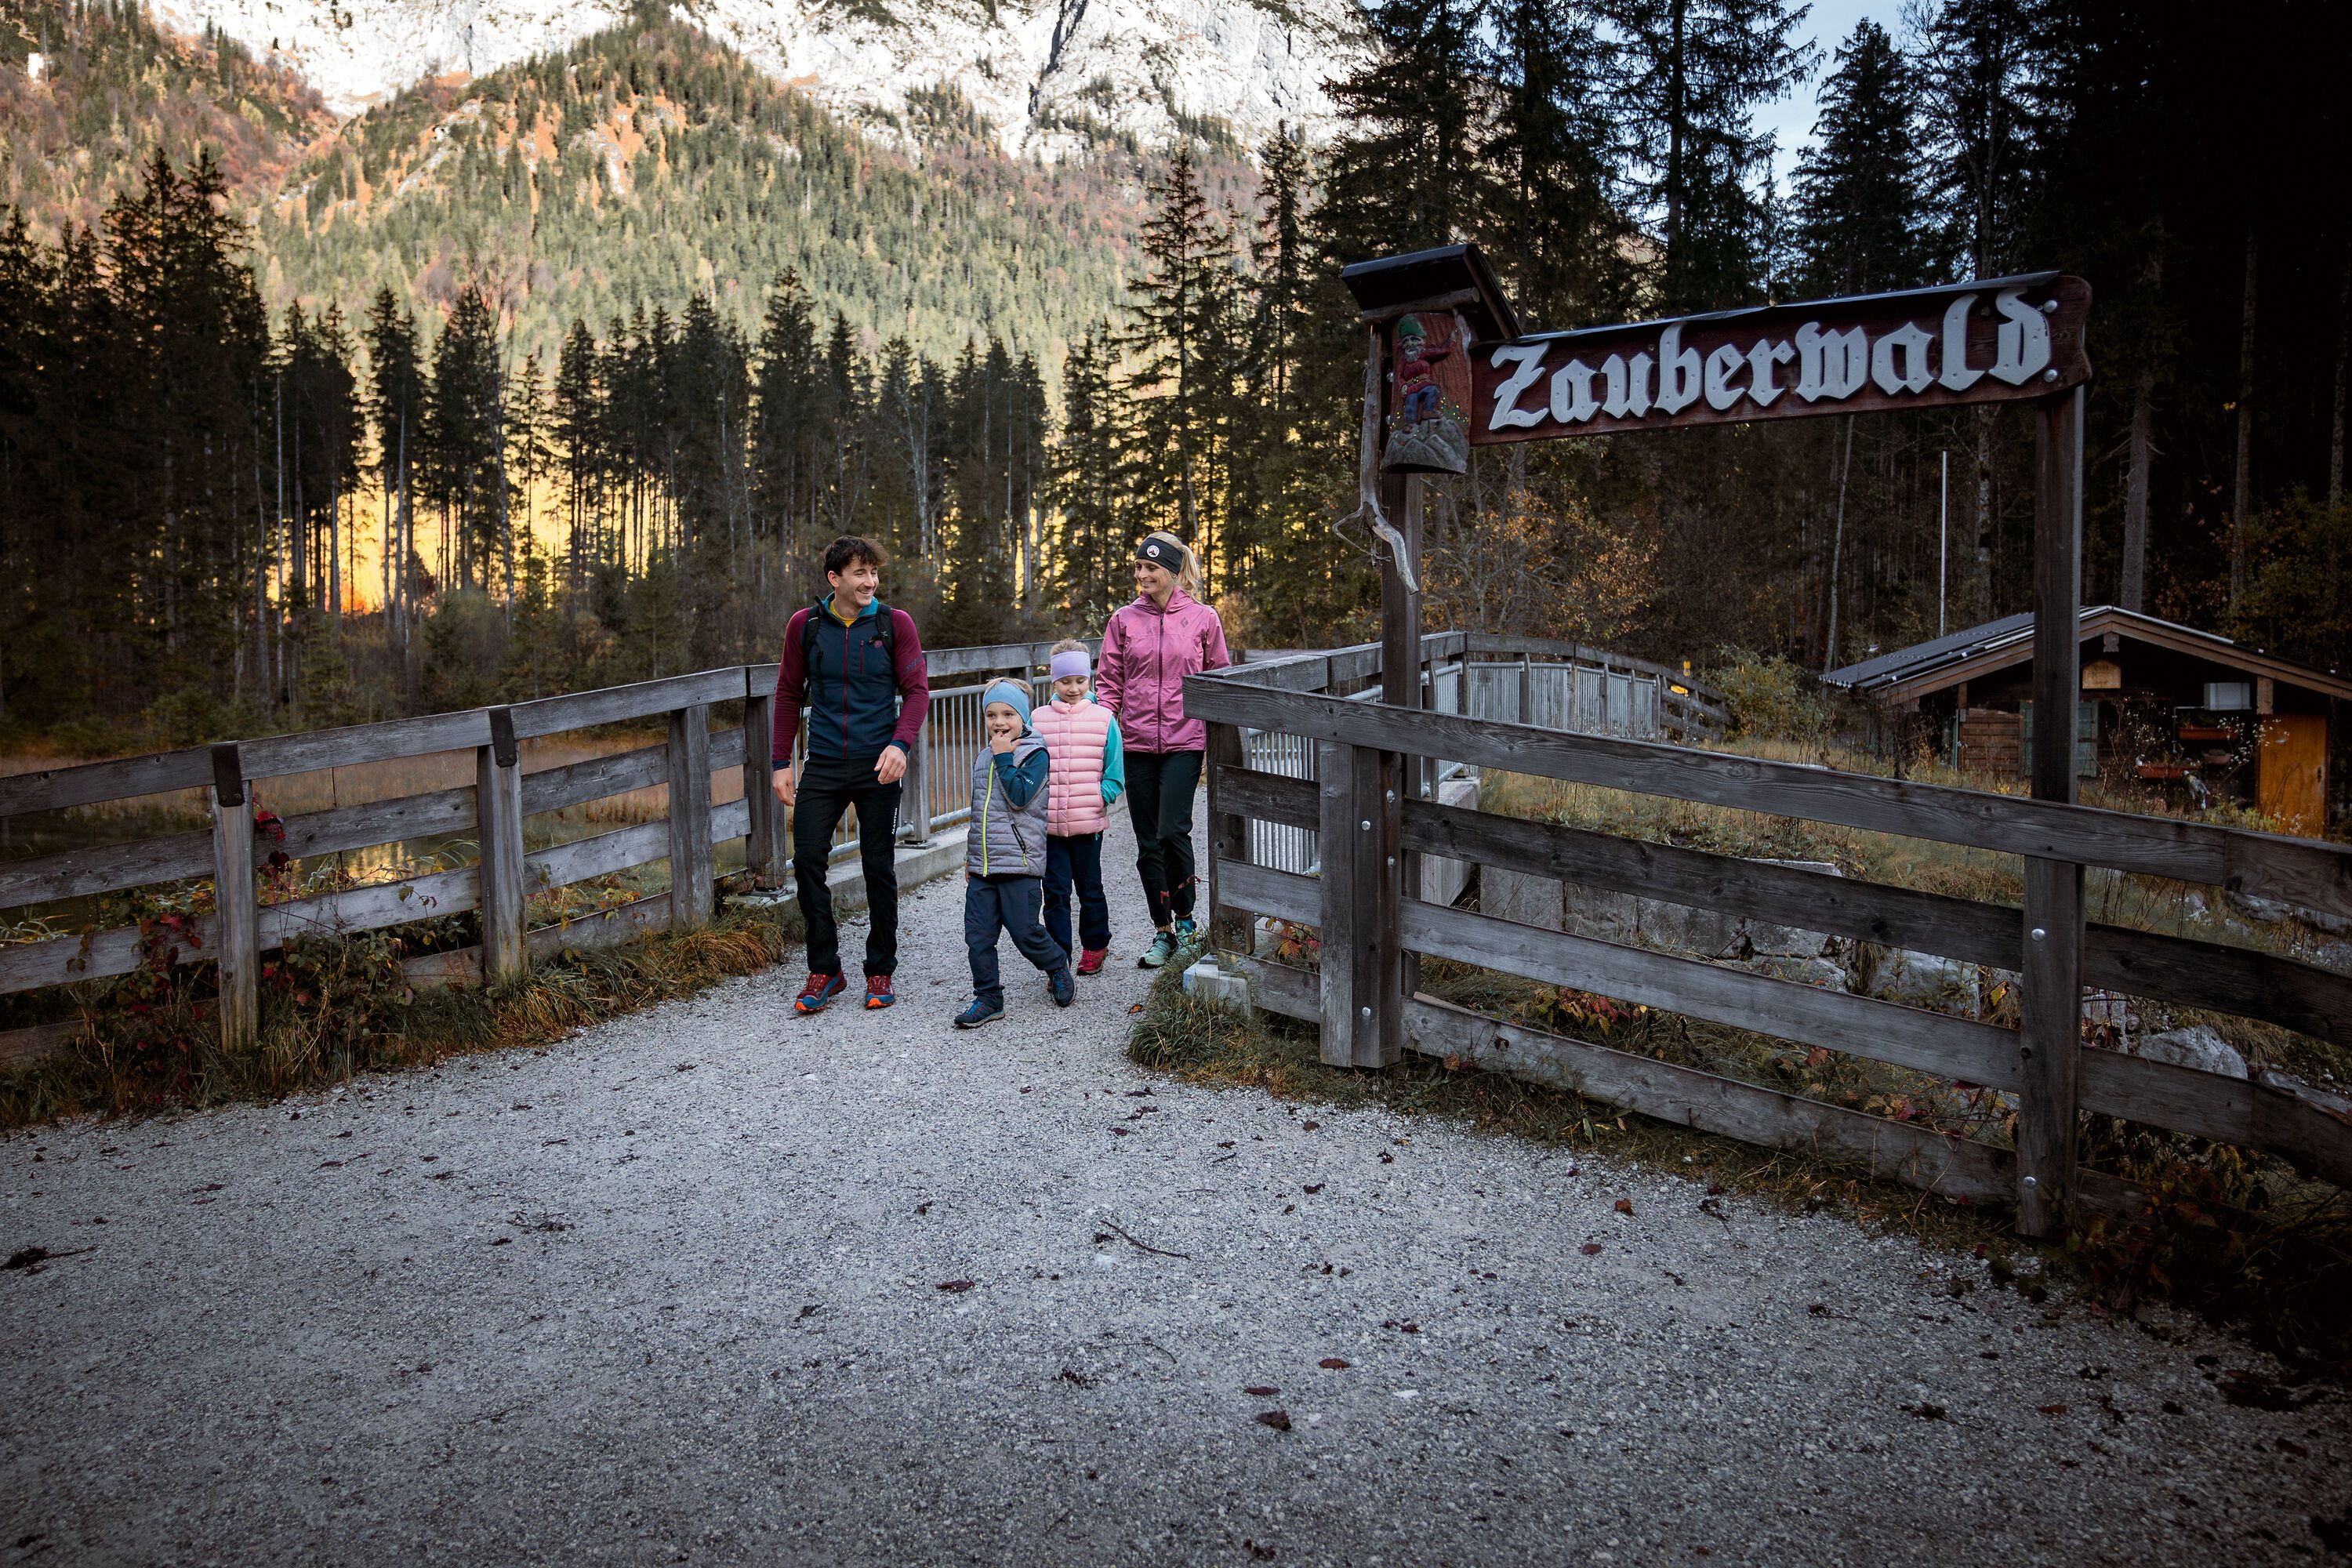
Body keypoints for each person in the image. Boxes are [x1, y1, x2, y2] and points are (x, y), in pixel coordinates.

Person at [771, 535, 931, 1014]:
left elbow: (918, 691)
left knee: (878, 865)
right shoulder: (807, 625)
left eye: (874, 573)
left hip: (877, 763)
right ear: (834, 578)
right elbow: (786, 695)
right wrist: (782, 762)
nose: (870, 581)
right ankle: (825, 969)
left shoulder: (893, 623)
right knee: (807, 861)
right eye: (860, 573)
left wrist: (900, 744)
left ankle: (879, 968)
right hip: (821, 762)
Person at [1094, 531, 1231, 968]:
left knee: (1173, 831)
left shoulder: (1203, 618)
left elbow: (1219, 679)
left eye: (1151, 568)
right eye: (1138, 567)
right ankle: (1163, 930)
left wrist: (1216, 736)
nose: (1142, 574)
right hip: (1135, 743)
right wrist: (1100, 726)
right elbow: (1109, 682)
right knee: (1147, 842)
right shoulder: (1123, 621)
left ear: (1172, 572)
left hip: (1184, 742)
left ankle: (1188, 922)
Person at [956, 681, 1073, 1029]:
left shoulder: (1036, 754)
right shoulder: (983, 756)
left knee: (1025, 932)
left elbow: (1020, 797)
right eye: (991, 715)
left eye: (1008, 714)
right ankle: (989, 998)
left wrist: (1004, 755)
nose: (999, 722)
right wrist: (970, 855)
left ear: (1023, 717)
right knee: (977, 937)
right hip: (984, 867)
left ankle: (1056, 965)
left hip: (1020, 865)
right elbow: (980, 813)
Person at [1033, 638, 1125, 976]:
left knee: (1090, 887)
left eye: (1080, 680)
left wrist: (1101, 795)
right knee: (1054, 893)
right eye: (1066, 681)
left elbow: (1115, 770)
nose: (1074, 688)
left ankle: (1095, 944)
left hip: (1088, 822)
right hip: (1050, 826)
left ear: (1090, 680)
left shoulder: (1104, 718)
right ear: (1053, 681)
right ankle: (1059, 957)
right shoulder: (1037, 719)